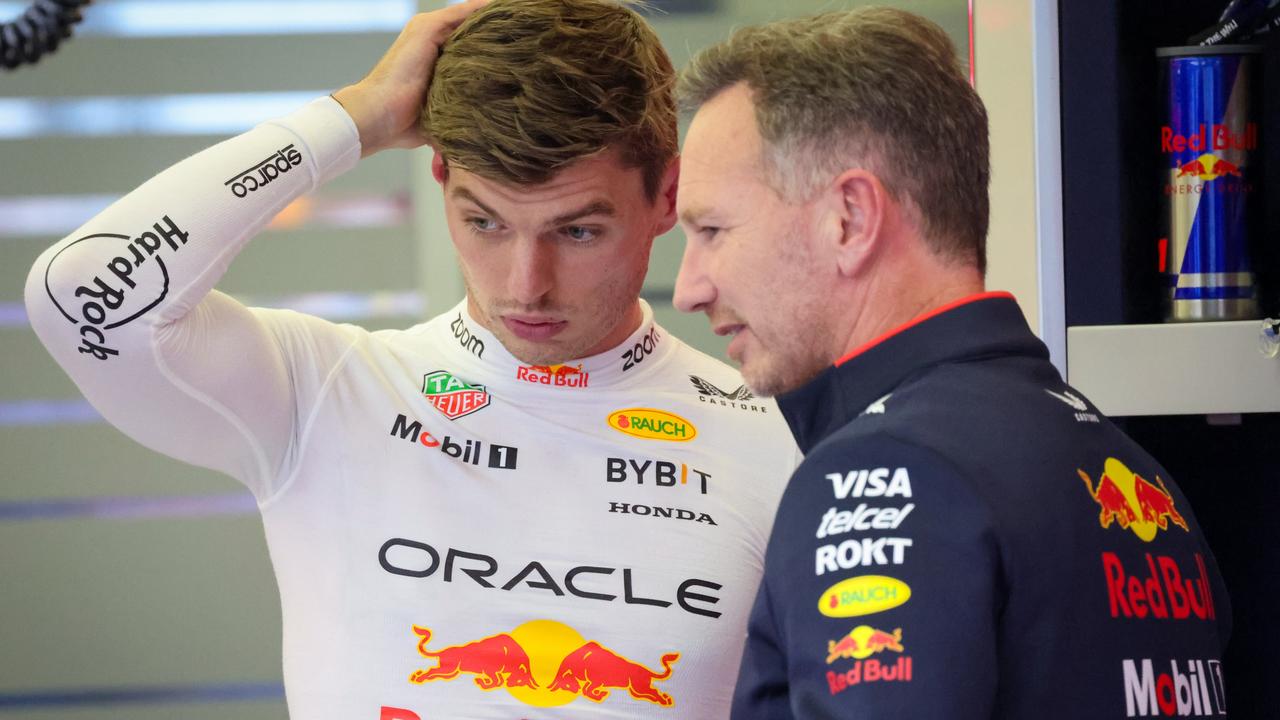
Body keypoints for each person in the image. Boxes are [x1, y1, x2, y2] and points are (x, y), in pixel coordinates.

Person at [23, 1, 799, 717]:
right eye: (485, 221)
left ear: (668, 196)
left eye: (578, 231)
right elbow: (83, 294)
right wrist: (354, 119)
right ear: (438, 178)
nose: (525, 284)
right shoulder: (326, 389)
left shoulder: (780, 437)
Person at [673, 7, 1231, 719]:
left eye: (713, 230)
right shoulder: (1131, 474)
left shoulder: (882, 470)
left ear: (848, 217)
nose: (689, 286)